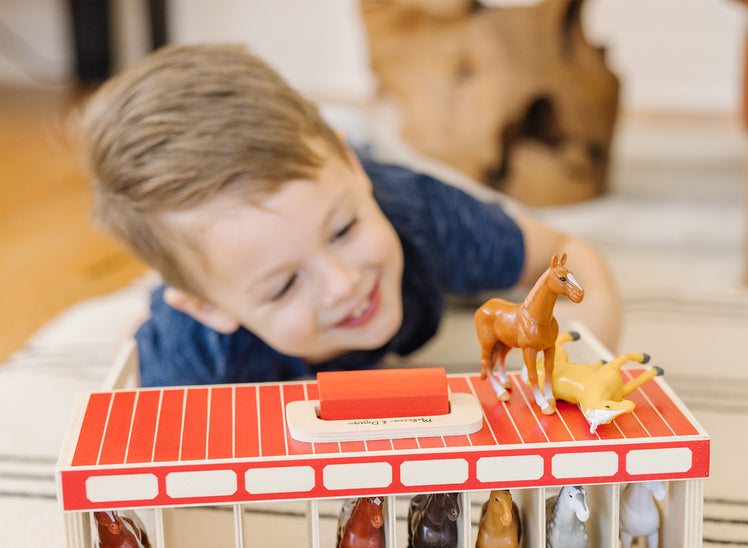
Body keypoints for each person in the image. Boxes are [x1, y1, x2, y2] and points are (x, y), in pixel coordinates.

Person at [76, 44, 621, 387]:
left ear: (354, 172)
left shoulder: (422, 221)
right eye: (284, 284)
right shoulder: (198, 352)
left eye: (342, 230)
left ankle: (350, 135)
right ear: (207, 307)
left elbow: (566, 255)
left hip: (369, 172)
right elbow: (132, 390)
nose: (343, 284)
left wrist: (587, 336)